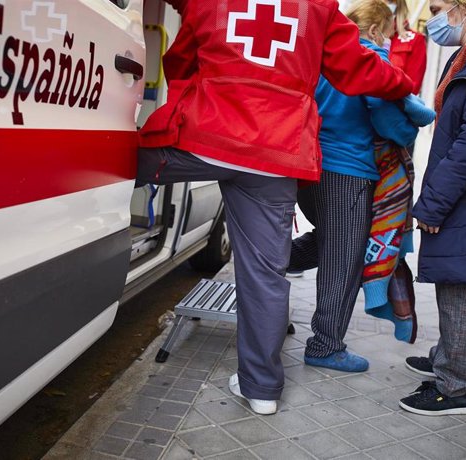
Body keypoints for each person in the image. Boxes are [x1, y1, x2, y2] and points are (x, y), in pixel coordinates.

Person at [137, 0, 414, 414]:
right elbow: (360, 69)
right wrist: (403, 85)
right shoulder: (318, 9)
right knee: (264, 274)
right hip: (275, 155)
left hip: (206, 139)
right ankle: (261, 389)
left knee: (112, 162)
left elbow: (179, 61)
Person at [286, 0, 424, 373]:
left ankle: (269, 260)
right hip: (348, 170)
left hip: (307, 166)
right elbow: (392, 124)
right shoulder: (373, 59)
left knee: (335, 239)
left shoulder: (319, 58)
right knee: (345, 257)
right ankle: (325, 345)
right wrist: (414, 127)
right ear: (378, 30)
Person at [399, 0, 466, 416]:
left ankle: (454, 387)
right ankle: (445, 359)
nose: (436, 16)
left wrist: (434, 203)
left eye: (439, 6)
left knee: (459, 286)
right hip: (465, 194)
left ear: (465, 7)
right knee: (455, 283)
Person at [383, 0, 429, 94]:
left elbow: (412, 88)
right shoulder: (363, 36)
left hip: (393, 106)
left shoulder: (415, 40)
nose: (383, 3)